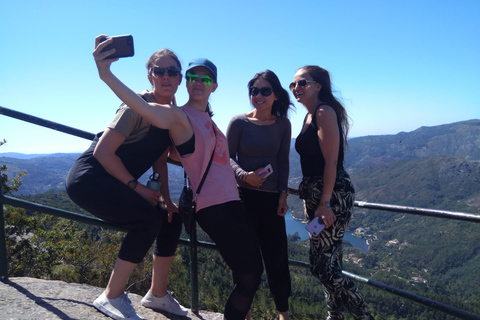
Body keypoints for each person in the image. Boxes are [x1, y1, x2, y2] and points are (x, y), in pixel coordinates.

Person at [92, 35, 264, 320]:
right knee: (250, 276)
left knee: (246, 270)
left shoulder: (207, 119)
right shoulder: (177, 116)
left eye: (205, 79)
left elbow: (185, 155)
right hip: (215, 205)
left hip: (231, 201)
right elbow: (143, 107)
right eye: (193, 76)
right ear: (187, 83)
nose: (198, 81)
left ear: (215, 86)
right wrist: (106, 74)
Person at [66, 47, 189, 320]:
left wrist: (166, 199)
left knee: (169, 219)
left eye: (172, 72)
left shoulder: (171, 115)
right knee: (147, 221)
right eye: (160, 71)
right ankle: (111, 296)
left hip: (116, 181)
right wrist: (137, 187)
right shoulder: (135, 106)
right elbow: (103, 152)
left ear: (180, 78)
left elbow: (160, 160)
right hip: (90, 178)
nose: (166, 77)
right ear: (150, 76)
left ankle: (158, 295)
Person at [290, 65, 374, 320]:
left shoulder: (324, 112)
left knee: (321, 267)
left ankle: (363, 316)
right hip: (316, 196)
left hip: (331, 196)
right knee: (330, 263)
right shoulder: (309, 116)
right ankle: (334, 314)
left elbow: (331, 162)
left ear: (318, 86)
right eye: (293, 84)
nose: (296, 88)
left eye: (302, 82)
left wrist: (325, 203)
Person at [226, 70, 293, 320]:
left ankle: (283, 313)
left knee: (277, 258)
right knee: (245, 260)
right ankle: (245, 313)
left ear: (275, 95)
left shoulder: (283, 124)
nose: (259, 95)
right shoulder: (239, 122)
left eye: (265, 91)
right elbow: (226, 158)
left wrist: (283, 194)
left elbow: (283, 161)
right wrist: (244, 175)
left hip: (272, 200)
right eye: (254, 91)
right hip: (243, 198)